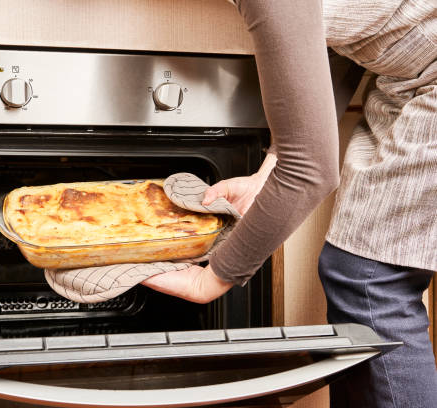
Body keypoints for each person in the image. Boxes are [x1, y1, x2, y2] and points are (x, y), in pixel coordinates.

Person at [141, 0, 437, 407]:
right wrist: (270, 170)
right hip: (406, 76)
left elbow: (311, 172)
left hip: (427, 75)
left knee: (371, 281)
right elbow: (327, 34)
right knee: (362, 280)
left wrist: (212, 278)